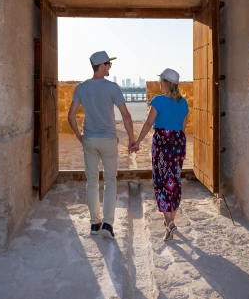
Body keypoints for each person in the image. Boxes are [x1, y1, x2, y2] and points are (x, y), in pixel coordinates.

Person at [68, 51, 135, 239]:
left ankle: (94, 224)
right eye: (109, 64)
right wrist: (131, 139)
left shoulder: (81, 88)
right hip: (108, 140)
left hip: (89, 139)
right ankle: (107, 224)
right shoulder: (112, 88)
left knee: (91, 182)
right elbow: (126, 116)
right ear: (102, 66)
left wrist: (79, 136)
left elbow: (71, 116)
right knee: (110, 180)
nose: (110, 68)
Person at [129, 68, 189, 241]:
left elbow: (148, 123)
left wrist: (137, 141)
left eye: (161, 81)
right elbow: (183, 128)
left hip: (162, 144)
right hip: (178, 144)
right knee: (174, 182)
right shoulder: (184, 103)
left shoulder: (158, 101)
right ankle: (170, 225)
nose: (159, 84)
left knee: (162, 182)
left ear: (166, 83)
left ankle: (169, 222)